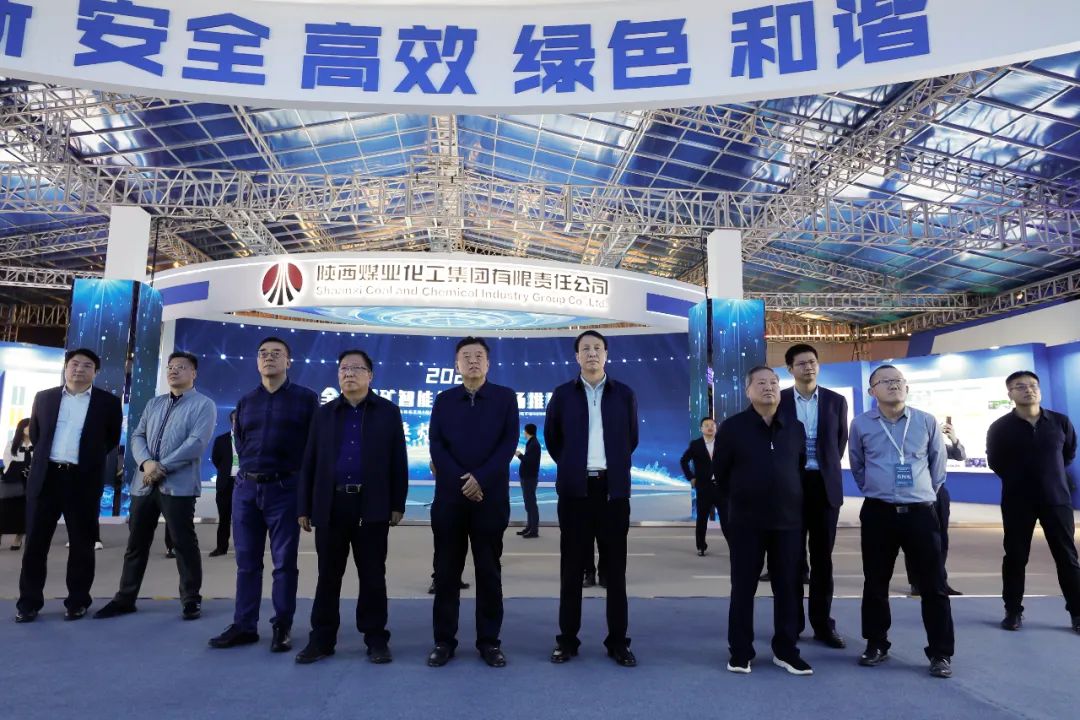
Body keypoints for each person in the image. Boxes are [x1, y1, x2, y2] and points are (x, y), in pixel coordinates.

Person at [295, 349, 409, 664]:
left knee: (373, 575)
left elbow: (398, 460)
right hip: (331, 505)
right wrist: (304, 506)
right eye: (344, 368)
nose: (349, 373)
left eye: (357, 368)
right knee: (328, 576)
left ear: (370, 375)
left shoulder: (388, 412)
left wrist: (397, 503)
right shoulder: (324, 414)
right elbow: (310, 461)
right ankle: (322, 639)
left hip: (372, 505)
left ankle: (376, 639)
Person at [209, 337, 319, 652]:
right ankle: (244, 625)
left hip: (285, 490)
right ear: (257, 362)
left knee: (284, 563)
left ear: (288, 362)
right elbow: (240, 442)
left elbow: (315, 447)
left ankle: (282, 625)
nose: (268, 358)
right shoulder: (246, 401)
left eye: (276, 353)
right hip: (246, 489)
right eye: (263, 354)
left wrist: (307, 494)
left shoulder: (306, 399)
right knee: (246, 562)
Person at [94, 351, 216, 621]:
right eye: (171, 367)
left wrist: (162, 467)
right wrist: (147, 464)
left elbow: (196, 443)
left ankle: (190, 599)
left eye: (181, 367)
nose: (174, 371)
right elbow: (137, 436)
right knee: (136, 544)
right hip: (144, 484)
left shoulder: (204, 405)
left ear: (194, 373)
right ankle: (125, 598)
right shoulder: (154, 403)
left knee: (183, 543)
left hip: (179, 486)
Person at [850, 364, 953, 679]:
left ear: (906, 387)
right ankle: (876, 644)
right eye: (885, 381)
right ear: (872, 391)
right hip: (878, 512)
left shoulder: (925, 421)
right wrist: (878, 489)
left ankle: (940, 653)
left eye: (898, 380)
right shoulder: (860, 424)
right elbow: (857, 464)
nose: (893, 385)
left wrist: (920, 493)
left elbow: (938, 466)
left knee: (933, 585)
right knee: (875, 582)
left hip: (921, 512)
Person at [545, 330, 639, 668]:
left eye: (597, 348)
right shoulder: (562, 395)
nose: (592, 353)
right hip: (575, 493)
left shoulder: (624, 394)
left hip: (613, 493)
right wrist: (573, 467)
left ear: (606, 354)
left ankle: (618, 642)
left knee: (615, 572)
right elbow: (553, 439)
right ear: (576, 356)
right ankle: (567, 640)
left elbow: (631, 439)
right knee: (571, 570)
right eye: (585, 348)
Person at [427, 337, 519, 668]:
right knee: (446, 572)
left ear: (488, 363)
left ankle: (489, 642)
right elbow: (436, 444)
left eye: (479, 355)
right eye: (466, 356)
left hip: (490, 499)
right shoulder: (444, 400)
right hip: (450, 500)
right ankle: (444, 641)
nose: (473, 361)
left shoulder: (505, 398)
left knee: (489, 572)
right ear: (456, 365)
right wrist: (462, 482)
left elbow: (508, 444)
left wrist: (481, 479)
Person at [15, 348, 122, 623]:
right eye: (74, 364)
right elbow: (37, 435)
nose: (79, 369)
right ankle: (28, 603)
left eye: (87, 366)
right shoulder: (45, 398)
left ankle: (77, 601)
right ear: (66, 368)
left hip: (82, 480)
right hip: (47, 478)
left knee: (82, 545)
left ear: (95, 372)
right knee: (35, 544)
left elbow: (110, 440)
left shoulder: (108, 403)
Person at [716, 366, 811, 676]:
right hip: (746, 523)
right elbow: (721, 474)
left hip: (788, 523)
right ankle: (740, 651)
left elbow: (799, 468)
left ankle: (786, 651)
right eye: (760, 382)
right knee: (743, 588)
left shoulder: (794, 427)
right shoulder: (732, 428)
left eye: (773, 382)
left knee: (788, 589)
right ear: (748, 391)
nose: (768, 387)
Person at [986, 370, 1080, 634]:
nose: (1028, 390)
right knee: (1015, 557)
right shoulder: (1000, 427)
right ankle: (1013, 611)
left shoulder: (1060, 422)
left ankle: (1077, 613)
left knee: (1067, 557)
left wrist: (1049, 477)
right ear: (1010, 394)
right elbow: (995, 461)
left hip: (1056, 499)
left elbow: (1068, 454)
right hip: (1018, 501)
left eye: (1032, 385)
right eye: (1020, 386)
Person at [778, 343, 849, 649]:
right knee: (792, 559)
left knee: (823, 560)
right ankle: (792, 624)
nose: (809, 367)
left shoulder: (835, 401)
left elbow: (839, 442)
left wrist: (823, 468)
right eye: (802, 363)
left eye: (812, 362)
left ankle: (823, 625)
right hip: (790, 487)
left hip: (824, 486)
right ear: (790, 369)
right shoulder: (779, 400)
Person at [908, 419, 966, 597]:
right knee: (915, 540)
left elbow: (960, 455)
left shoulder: (940, 446)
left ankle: (940, 581)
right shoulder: (909, 446)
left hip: (939, 494)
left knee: (941, 539)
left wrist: (953, 438)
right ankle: (917, 583)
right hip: (916, 495)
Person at [680, 417, 725, 556]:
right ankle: (701, 546)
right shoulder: (696, 444)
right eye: (706, 425)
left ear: (716, 428)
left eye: (712, 425)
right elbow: (683, 461)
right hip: (704, 487)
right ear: (701, 429)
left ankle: (734, 546)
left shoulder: (723, 443)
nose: (710, 427)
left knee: (727, 519)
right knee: (701, 519)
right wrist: (691, 477)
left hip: (721, 487)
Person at [209, 411, 239, 557]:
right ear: (231, 421)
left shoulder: (250, 439)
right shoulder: (221, 440)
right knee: (224, 518)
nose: (238, 422)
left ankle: (243, 548)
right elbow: (216, 459)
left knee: (242, 519)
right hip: (225, 484)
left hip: (244, 483)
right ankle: (221, 548)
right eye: (235, 420)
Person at [1, 418, 31, 551]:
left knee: (23, 511)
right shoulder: (12, 443)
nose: (29, 428)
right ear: (21, 428)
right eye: (27, 426)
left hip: (30, 483)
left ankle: (18, 538)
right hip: (14, 482)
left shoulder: (38, 443)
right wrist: (21, 468)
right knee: (5, 510)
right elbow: (7, 462)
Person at [515, 423, 541, 538]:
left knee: (531, 504)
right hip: (527, 477)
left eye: (524, 431)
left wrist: (519, 455)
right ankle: (529, 527)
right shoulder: (531, 443)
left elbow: (530, 461)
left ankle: (534, 530)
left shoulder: (534, 444)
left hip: (529, 478)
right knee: (528, 504)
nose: (523, 433)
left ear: (527, 431)